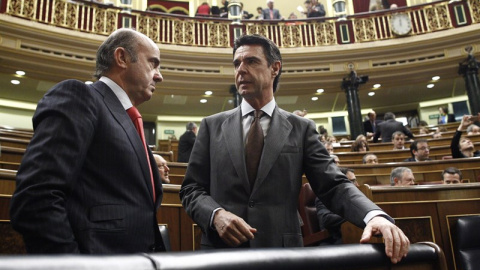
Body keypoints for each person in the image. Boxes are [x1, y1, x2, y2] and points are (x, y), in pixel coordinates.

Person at [180, 34, 409, 263]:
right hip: (221, 252)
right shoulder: (212, 125)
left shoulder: (301, 128)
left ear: (275, 68)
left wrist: (373, 216)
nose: (241, 69)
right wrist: (215, 215)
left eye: (251, 61)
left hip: (282, 253)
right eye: (236, 63)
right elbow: (191, 189)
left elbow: (332, 185)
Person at [10, 29, 166, 254]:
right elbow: (36, 198)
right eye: (153, 63)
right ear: (121, 58)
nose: (159, 75)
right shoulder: (80, 96)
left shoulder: (128, 118)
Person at [315, 167, 359, 245]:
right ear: (340, 182)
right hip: (334, 239)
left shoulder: (356, 197)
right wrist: (353, 215)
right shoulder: (325, 197)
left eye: (355, 180)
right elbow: (326, 219)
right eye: (352, 181)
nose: (356, 185)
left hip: (354, 235)